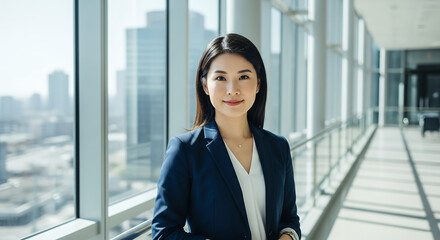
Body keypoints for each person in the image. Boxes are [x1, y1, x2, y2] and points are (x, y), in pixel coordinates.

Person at [152, 33, 301, 240]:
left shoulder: (278, 147)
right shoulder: (185, 151)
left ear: (258, 83)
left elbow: (289, 219)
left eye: (243, 77)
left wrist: (288, 237)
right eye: (221, 78)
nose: (232, 90)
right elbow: (163, 233)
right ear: (205, 85)